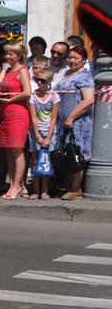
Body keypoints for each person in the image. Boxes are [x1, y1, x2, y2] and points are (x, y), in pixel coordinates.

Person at [54, 45, 95, 200]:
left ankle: (75, 188)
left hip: (79, 123)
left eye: (75, 58)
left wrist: (71, 117)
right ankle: (68, 186)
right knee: (68, 153)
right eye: (70, 57)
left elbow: (89, 100)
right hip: (63, 122)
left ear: (83, 60)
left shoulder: (85, 76)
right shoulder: (66, 74)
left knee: (77, 154)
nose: (71, 60)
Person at [0, 41, 32, 200]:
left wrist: (10, 100)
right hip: (6, 114)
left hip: (17, 113)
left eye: (11, 54)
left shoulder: (22, 71)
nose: (8, 56)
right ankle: (12, 184)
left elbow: (27, 92)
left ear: (19, 55)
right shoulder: (6, 70)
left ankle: (18, 185)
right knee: (9, 150)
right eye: (7, 53)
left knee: (17, 150)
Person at [28, 73, 60, 200]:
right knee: (35, 161)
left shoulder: (54, 96)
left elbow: (54, 118)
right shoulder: (33, 96)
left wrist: (48, 137)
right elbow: (33, 116)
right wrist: (37, 135)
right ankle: (35, 190)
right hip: (36, 130)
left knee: (46, 161)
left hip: (49, 130)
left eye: (43, 80)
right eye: (37, 80)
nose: (39, 83)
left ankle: (44, 190)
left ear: (49, 81)